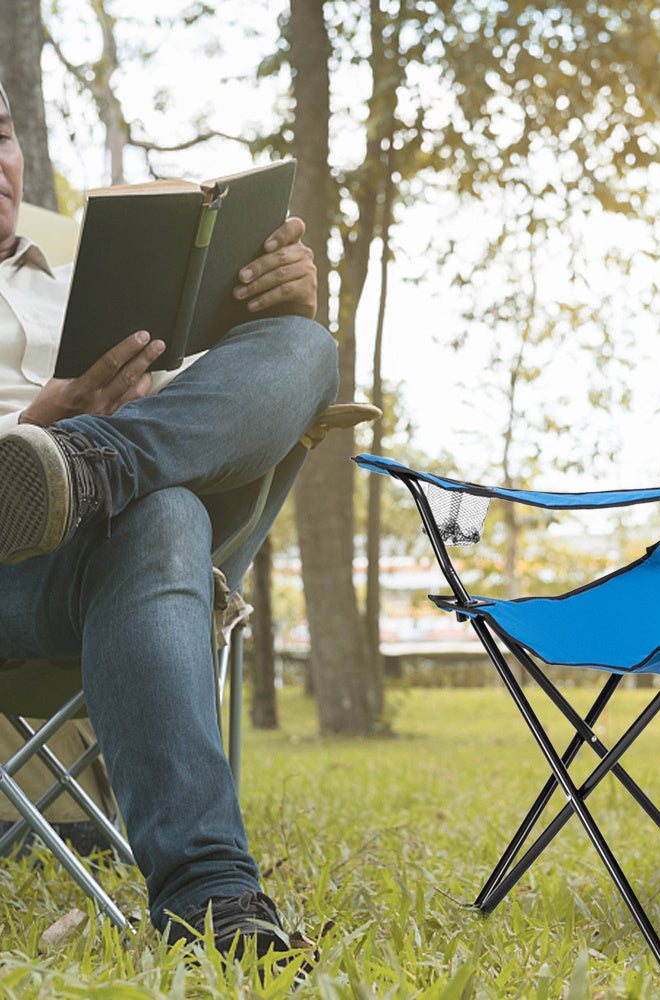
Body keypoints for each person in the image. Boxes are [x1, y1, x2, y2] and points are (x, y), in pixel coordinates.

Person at [0, 80, 338, 957]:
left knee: (304, 347)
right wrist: (36, 425)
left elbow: (230, 397)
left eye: (1, 137)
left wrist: (277, 302)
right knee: (164, 515)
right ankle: (212, 900)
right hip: (15, 571)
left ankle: (91, 464)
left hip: (138, 506)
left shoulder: (89, 278)